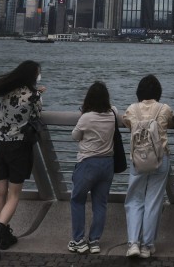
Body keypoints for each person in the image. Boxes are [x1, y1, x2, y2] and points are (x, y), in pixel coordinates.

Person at [0, 60, 45, 259]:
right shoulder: (33, 96)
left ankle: (3, 236)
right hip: (19, 147)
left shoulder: (6, 91)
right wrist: (39, 93)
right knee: (14, 194)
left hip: (1, 146)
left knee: (0, 192)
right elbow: (37, 113)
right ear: (32, 76)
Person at [123, 74, 174, 259]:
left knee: (135, 200)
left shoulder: (131, 109)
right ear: (158, 92)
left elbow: (126, 123)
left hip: (138, 159)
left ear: (139, 92)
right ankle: (147, 245)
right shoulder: (165, 108)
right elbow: (172, 123)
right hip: (160, 159)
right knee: (153, 201)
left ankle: (133, 244)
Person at [68, 80, 117, 255]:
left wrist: (84, 112)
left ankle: (78, 240)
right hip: (107, 164)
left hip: (87, 163)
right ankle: (94, 241)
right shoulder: (112, 114)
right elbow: (113, 107)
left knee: (77, 200)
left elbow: (75, 136)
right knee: (100, 204)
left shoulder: (86, 118)